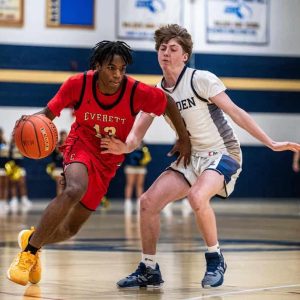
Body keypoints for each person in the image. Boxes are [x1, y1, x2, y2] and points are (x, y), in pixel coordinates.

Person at [102, 25, 300, 289]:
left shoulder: (200, 79)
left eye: (173, 49)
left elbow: (236, 112)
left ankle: (215, 258)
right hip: (190, 157)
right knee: (148, 202)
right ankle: (149, 268)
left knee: (197, 196)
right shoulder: (156, 93)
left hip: (223, 153)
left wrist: (271, 143)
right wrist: (122, 147)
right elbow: (135, 136)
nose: (166, 53)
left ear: (185, 55)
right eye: (162, 48)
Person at [6, 40, 191, 286]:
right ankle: (27, 255)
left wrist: (183, 137)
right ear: (98, 66)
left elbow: (166, 102)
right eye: (111, 68)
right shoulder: (77, 84)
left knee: (71, 229)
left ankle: (33, 240)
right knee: (74, 188)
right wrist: (27, 122)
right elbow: (48, 114)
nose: (117, 75)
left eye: (122, 69)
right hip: (80, 145)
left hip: (108, 161)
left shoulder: (135, 91)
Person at [123, 140, 152, 214]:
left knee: (139, 185)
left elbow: (147, 156)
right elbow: (126, 154)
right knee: (130, 184)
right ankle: (127, 202)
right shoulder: (129, 141)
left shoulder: (143, 143)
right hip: (130, 166)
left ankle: (139, 202)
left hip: (141, 167)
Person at [7, 136, 32, 213]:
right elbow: (7, 157)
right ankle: (14, 199)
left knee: (22, 184)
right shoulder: (10, 146)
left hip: (21, 168)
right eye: (13, 137)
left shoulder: (22, 145)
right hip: (13, 167)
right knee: (13, 184)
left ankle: (24, 199)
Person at [46, 130, 68, 195]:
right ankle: (59, 202)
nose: (64, 137)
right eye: (62, 136)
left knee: (67, 186)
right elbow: (53, 158)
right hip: (58, 168)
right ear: (60, 136)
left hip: (67, 168)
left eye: (65, 136)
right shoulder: (57, 145)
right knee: (59, 185)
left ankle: (66, 202)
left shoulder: (70, 145)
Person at [0, 127, 10, 214]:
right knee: (0, 186)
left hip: (5, 168)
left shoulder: (5, 143)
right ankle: (0, 202)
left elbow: (7, 155)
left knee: (5, 186)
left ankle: (4, 202)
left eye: (1, 133)